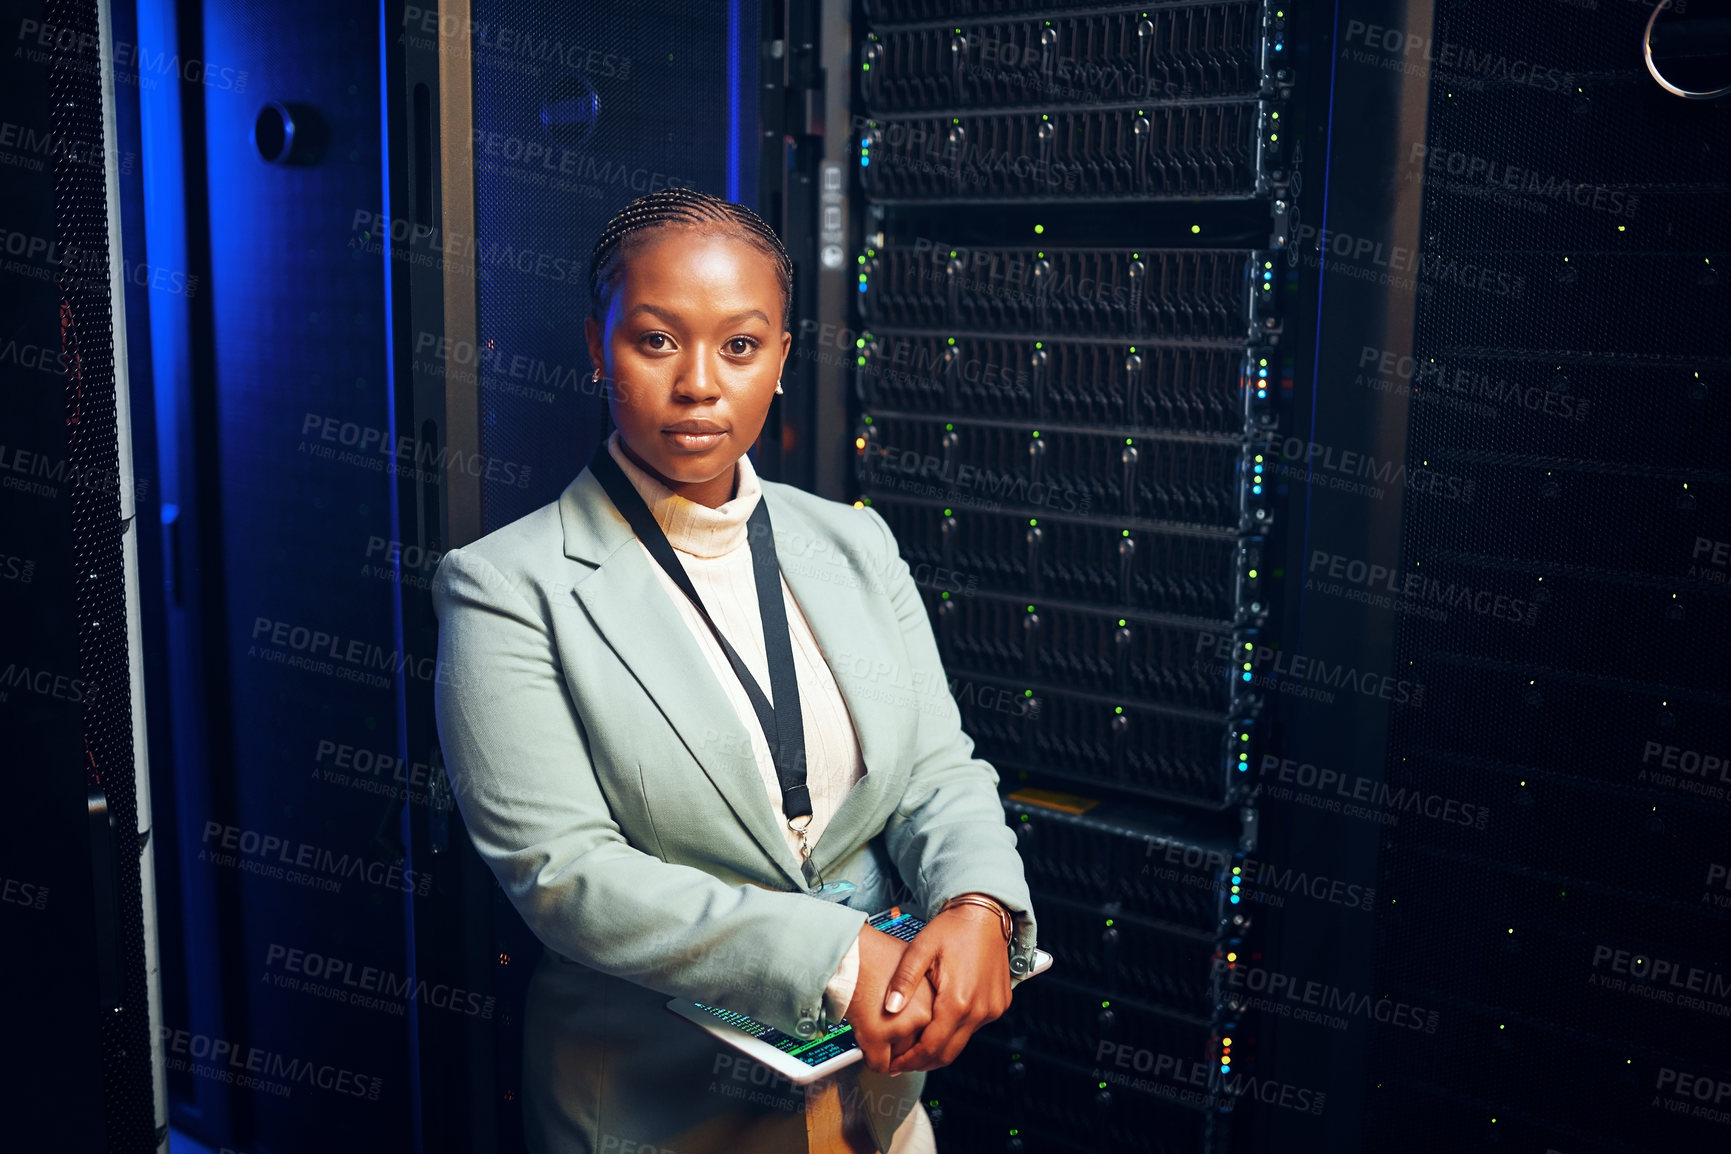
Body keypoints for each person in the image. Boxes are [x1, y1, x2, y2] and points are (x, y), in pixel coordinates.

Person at [432, 188, 1039, 1154]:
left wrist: (977, 904)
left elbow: (936, 770)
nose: (701, 385)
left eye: (741, 346)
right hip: (659, 1114)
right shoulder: (505, 587)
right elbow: (564, 877)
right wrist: (837, 957)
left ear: (782, 361)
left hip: (881, 1104)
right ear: (597, 348)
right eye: (657, 341)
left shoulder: (854, 543)